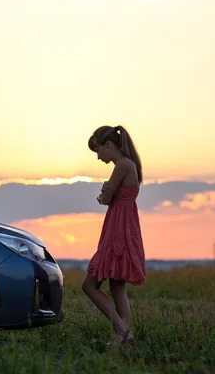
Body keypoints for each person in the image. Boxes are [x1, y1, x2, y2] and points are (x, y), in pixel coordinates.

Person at [82, 125, 146, 346]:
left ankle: (123, 331)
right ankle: (123, 336)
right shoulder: (131, 165)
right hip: (125, 227)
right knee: (117, 287)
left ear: (109, 145)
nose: (99, 157)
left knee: (89, 285)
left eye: (99, 151)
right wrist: (107, 191)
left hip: (117, 229)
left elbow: (106, 199)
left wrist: (104, 192)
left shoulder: (121, 165)